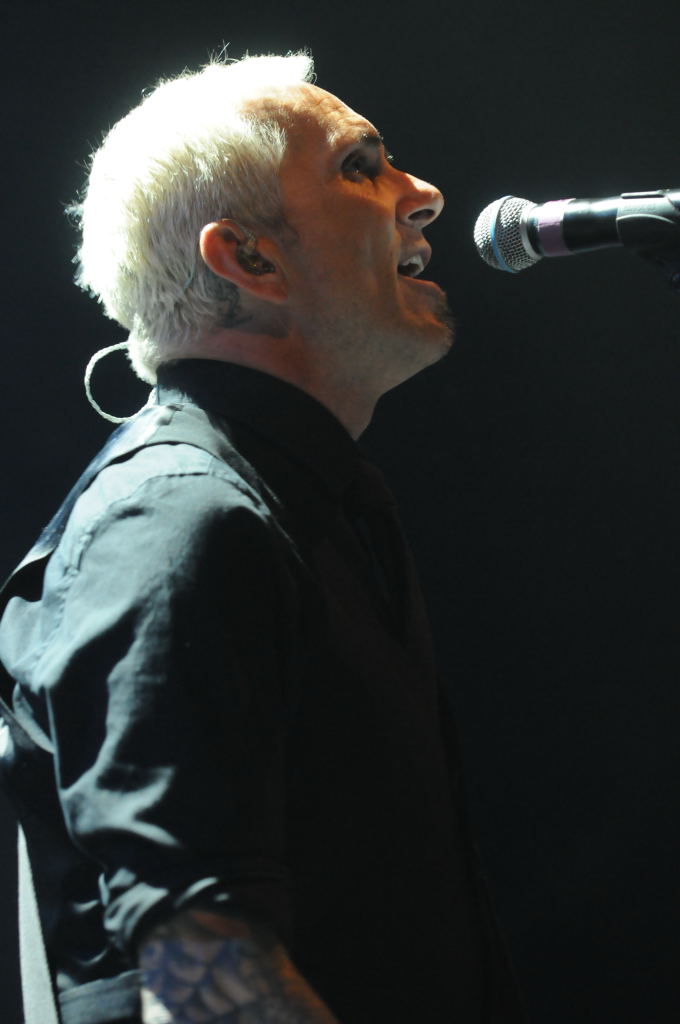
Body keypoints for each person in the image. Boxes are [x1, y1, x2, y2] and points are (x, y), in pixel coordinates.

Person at [0, 52, 524, 1024]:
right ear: (248, 259)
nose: (422, 194)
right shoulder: (177, 517)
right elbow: (196, 962)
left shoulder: (319, 502)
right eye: (361, 167)